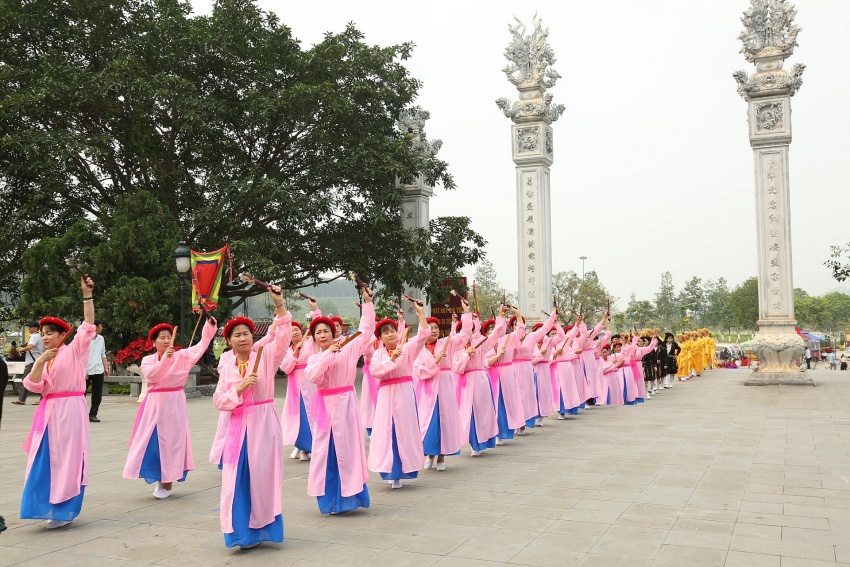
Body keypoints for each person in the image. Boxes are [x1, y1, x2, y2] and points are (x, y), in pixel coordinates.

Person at [210, 285, 291, 549]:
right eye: (237, 335)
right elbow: (218, 400)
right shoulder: (228, 368)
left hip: (263, 423)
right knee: (236, 479)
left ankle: (263, 530)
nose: (242, 338)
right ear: (229, 341)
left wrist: (279, 305)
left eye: (246, 333)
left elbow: (283, 338)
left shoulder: (266, 357)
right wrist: (239, 388)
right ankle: (241, 534)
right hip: (237, 428)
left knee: (263, 478)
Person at [20, 275, 96, 529]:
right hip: (49, 413)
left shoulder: (75, 350)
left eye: (50, 333)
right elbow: (33, 385)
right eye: (43, 334)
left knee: (69, 459)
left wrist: (87, 296)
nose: (45, 337)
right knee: (43, 458)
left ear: (63, 335)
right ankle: (47, 506)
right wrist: (40, 361)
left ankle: (65, 510)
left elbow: (88, 325)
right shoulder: (46, 359)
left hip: (70, 410)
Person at [123, 316, 217, 499]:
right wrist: (165, 359)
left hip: (174, 403)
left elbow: (201, 345)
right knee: (151, 441)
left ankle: (167, 482)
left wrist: (209, 326)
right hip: (154, 404)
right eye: (162, 338)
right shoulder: (148, 360)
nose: (166, 340)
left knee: (172, 443)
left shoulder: (182, 356)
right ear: (153, 343)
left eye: (169, 337)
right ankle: (158, 476)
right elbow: (152, 376)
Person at [304, 285, 375, 514]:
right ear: (314, 338)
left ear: (334, 332)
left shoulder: (349, 347)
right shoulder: (314, 359)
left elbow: (366, 331)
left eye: (326, 331)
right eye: (318, 332)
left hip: (345, 404)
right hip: (325, 407)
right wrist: (328, 354)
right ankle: (330, 501)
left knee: (348, 450)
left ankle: (351, 497)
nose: (323, 335)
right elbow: (313, 376)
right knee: (326, 453)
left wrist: (368, 304)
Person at [369, 300, 430, 489]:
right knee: (388, 431)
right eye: (385, 332)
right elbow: (375, 371)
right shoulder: (378, 354)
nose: (390, 334)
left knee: (405, 430)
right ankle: (390, 471)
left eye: (392, 330)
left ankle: (404, 470)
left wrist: (421, 314)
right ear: (380, 338)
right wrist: (391, 359)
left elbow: (423, 336)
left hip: (404, 393)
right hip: (386, 395)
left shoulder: (408, 348)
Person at [414, 304, 472, 471]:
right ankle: (429, 454)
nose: (434, 330)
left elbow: (465, 335)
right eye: (431, 328)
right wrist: (435, 361)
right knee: (428, 421)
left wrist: (466, 312)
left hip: (445, 386)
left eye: (436, 328)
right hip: (428, 388)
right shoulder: (418, 349)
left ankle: (441, 457)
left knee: (444, 420)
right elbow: (419, 370)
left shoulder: (447, 342)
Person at [452, 314, 500, 456]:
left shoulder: (480, 343)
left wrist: (501, 317)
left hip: (480, 381)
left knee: (481, 412)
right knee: (468, 413)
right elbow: (456, 368)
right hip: (465, 384)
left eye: (470, 330)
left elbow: (495, 336)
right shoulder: (456, 348)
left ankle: (480, 443)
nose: (467, 333)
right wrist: (466, 355)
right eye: (463, 331)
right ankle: (474, 443)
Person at [281, 297, 321, 462]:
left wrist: (315, 310)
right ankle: (302, 447)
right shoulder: (287, 350)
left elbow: (318, 327)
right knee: (299, 418)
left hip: (310, 384)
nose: (295, 332)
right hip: (295, 389)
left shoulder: (311, 343)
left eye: (297, 329)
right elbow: (285, 368)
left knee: (313, 415)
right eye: (292, 331)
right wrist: (295, 353)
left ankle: (312, 447)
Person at [12, 322, 44, 405]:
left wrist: (21, 349)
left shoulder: (34, 336)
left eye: (30, 327)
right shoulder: (37, 336)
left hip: (33, 362)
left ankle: (23, 399)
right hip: (35, 361)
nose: (28, 329)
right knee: (33, 380)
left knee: (26, 379)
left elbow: (30, 347)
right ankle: (41, 398)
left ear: (36, 328)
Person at [86, 320, 108, 423]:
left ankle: (93, 414)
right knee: (82, 393)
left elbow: (103, 354)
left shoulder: (101, 338)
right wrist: (83, 369)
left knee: (97, 394)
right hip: (87, 370)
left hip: (98, 369)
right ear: (95, 327)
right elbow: (80, 355)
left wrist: (106, 367)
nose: (102, 328)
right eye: (101, 326)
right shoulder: (85, 339)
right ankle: (80, 414)